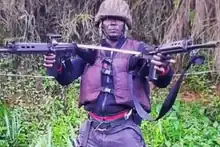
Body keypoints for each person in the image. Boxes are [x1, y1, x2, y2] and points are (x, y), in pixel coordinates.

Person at [43, 0, 174, 146]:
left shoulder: (138, 50)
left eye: (118, 19)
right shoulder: (90, 52)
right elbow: (65, 77)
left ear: (125, 24)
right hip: (92, 131)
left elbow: (162, 81)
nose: (113, 23)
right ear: (101, 23)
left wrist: (162, 67)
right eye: (108, 19)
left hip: (124, 131)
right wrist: (56, 65)